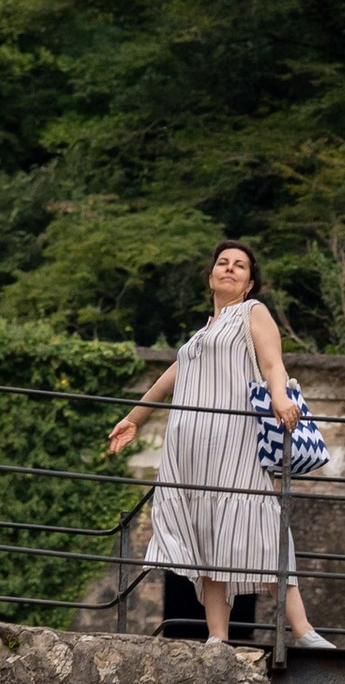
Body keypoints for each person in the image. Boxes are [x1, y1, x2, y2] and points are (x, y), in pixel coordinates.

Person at [108, 242, 331, 648]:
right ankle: (217, 636)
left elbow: (273, 363)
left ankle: (303, 631)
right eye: (222, 263)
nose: (229, 269)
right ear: (211, 277)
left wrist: (279, 396)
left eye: (239, 265)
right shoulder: (201, 336)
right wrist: (134, 419)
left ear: (248, 283)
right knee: (206, 537)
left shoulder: (252, 313)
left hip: (235, 445)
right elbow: (166, 380)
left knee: (262, 526)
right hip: (191, 454)